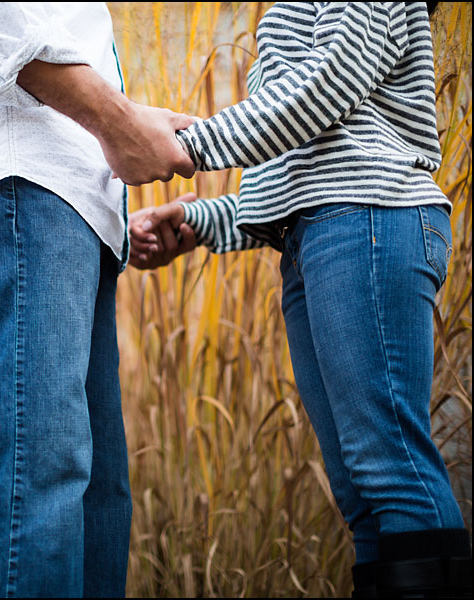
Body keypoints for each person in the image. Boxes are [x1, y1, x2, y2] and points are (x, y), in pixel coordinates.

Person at [131, 2, 471, 597]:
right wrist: (200, 221)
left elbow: (328, 81)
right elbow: (307, 172)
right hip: (322, 232)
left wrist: (190, 145)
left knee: (390, 467)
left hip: (368, 218)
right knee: (361, 491)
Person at [0, 3, 194, 596]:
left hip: (70, 206)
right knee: (26, 488)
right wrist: (115, 120)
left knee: (93, 509)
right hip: (24, 176)